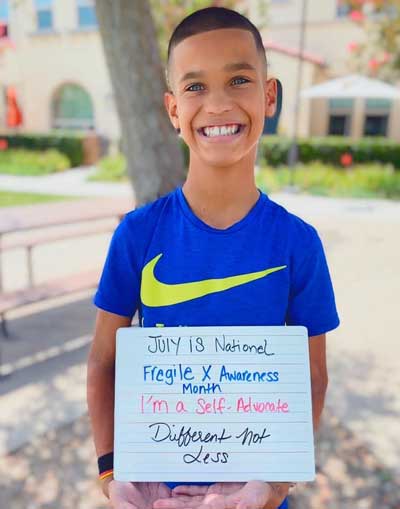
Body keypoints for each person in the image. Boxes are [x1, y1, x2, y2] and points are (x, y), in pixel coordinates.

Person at [87, 6, 340, 509]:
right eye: (195, 86)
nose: (219, 104)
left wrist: (275, 485)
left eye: (240, 79)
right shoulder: (137, 236)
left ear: (269, 97)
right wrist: (112, 472)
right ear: (172, 109)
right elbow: (104, 360)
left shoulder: (299, 243)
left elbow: (311, 376)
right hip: (155, 491)